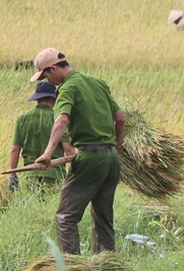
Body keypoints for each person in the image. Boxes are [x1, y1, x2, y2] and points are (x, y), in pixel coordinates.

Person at [29, 48, 126, 255]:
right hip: (111, 159)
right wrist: (116, 145)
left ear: (53, 68)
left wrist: (47, 154)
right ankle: (106, 267)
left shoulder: (67, 88)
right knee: (103, 218)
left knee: (65, 217)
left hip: (90, 159)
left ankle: (72, 268)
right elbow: (120, 118)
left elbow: (61, 120)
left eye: (45, 75)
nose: (47, 81)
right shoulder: (98, 82)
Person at [8, 82, 76, 191]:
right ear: (54, 98)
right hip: (54, 175)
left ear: (37, 98)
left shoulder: (22, 119)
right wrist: (78, 173)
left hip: (30, 174)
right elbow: (68, 150)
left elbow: (14, 150)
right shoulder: (58, 120)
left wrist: (12, 175)